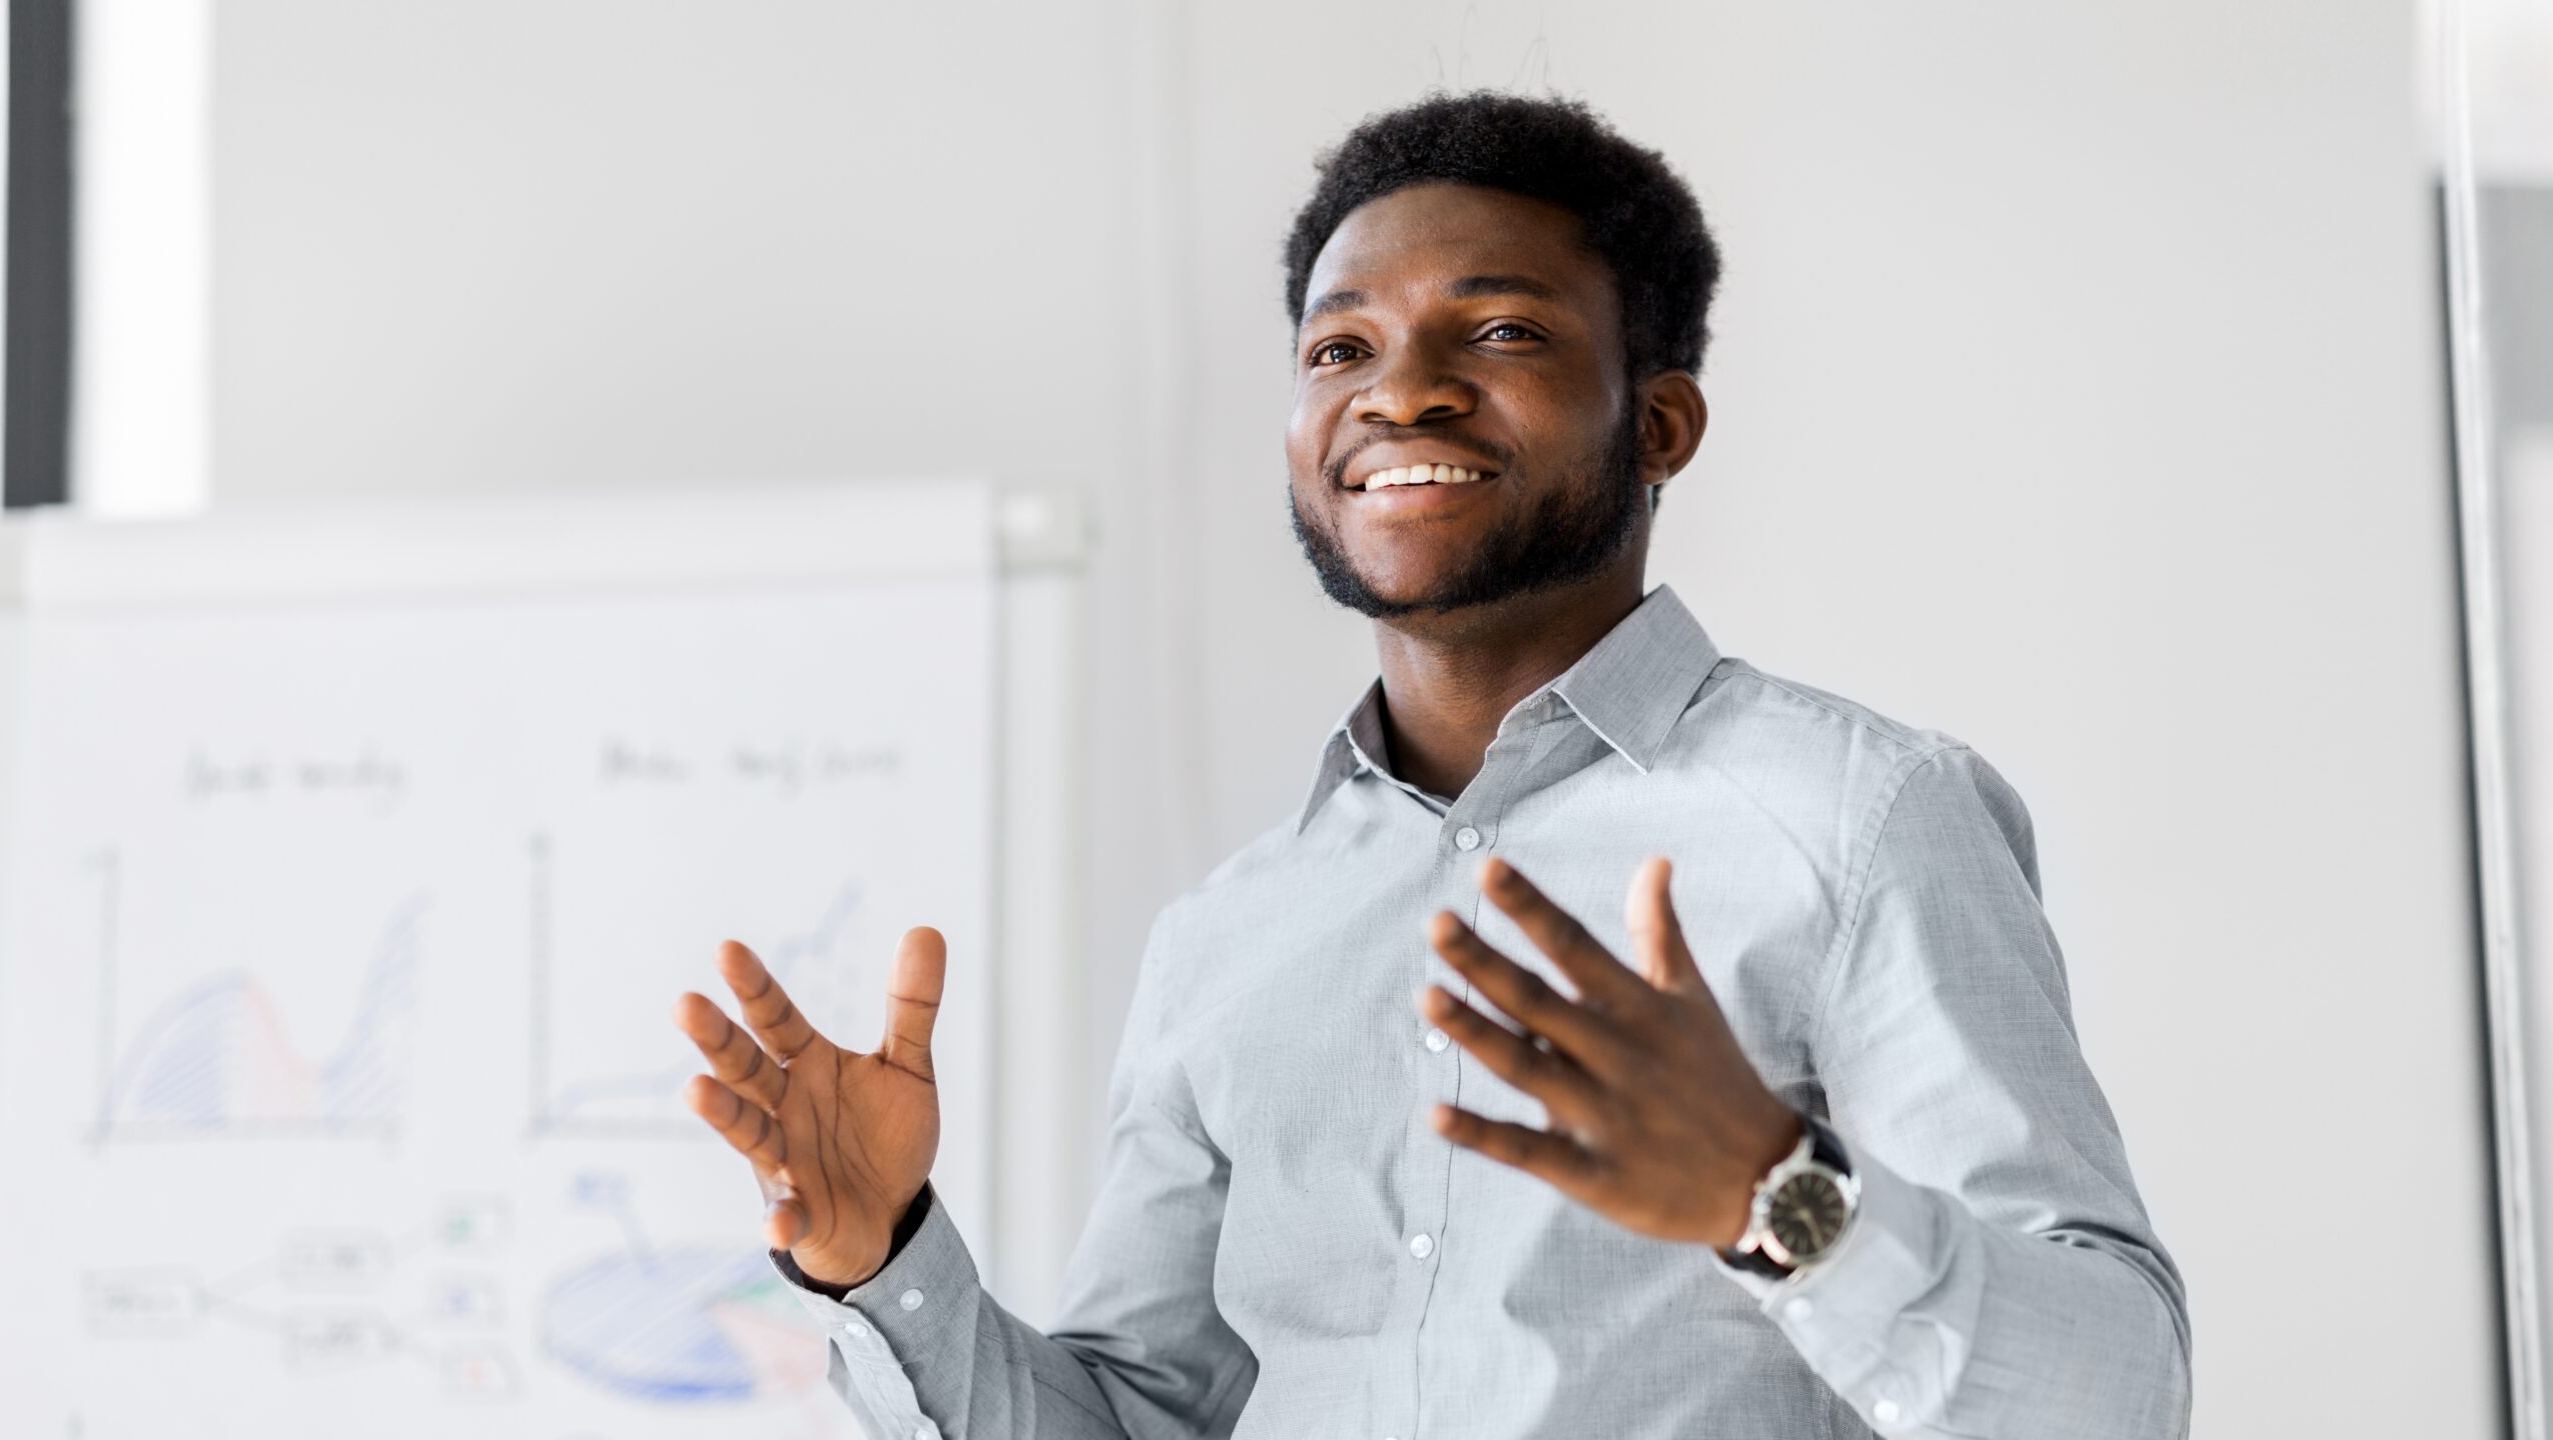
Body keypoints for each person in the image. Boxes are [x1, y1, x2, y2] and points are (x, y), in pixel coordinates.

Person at [673, 91, 2191, 1439]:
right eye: (1342, 347)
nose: (1401, 390)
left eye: (1504, 331)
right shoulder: (1226, 937)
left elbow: (2118, 1398)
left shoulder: (1860, 821)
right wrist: (882, 1258)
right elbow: (1141, 1420)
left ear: (1658, 423)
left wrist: (1769, 1194)